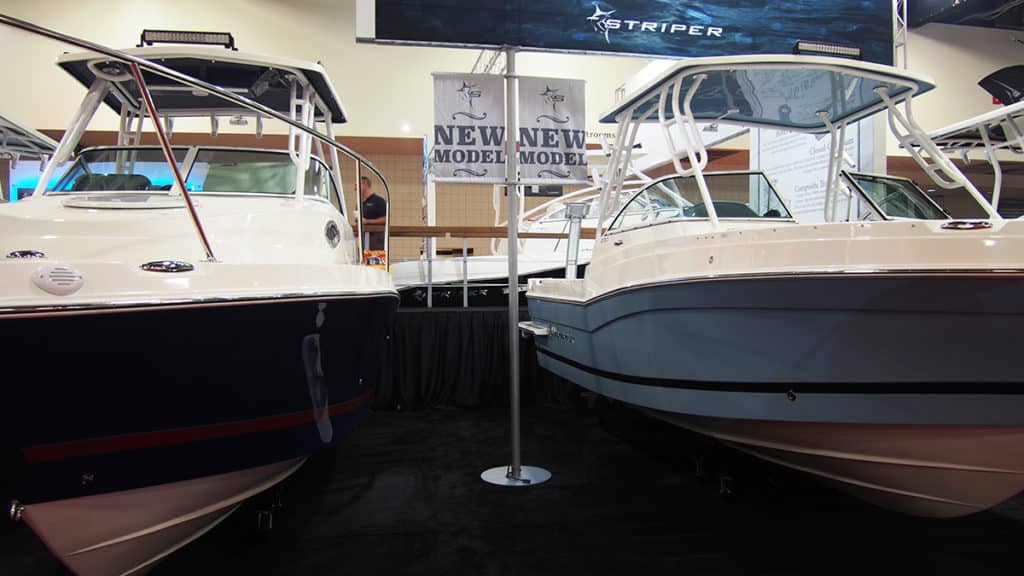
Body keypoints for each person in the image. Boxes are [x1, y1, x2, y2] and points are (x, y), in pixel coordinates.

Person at [359, 176, 387, 250]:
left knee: (375, 259)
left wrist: (367, 221)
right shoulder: (360, 203)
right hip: (363, 238)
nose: (355, 188)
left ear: (365, 185)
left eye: (357, 185)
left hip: (376, 239)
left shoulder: (379, 201)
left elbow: (385, 219)